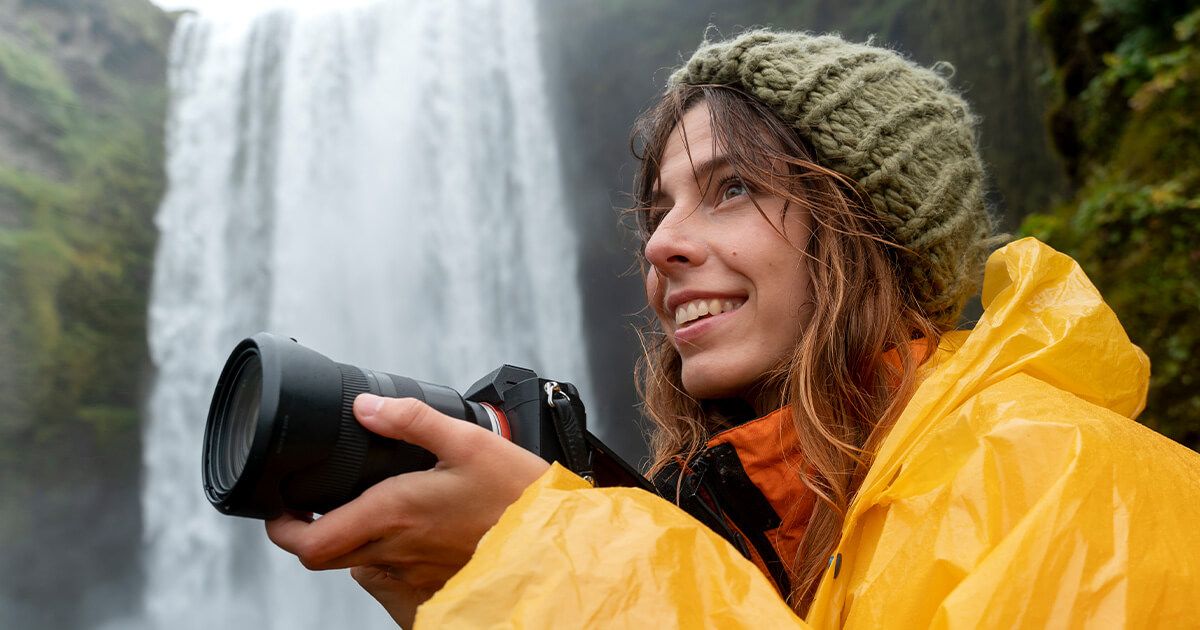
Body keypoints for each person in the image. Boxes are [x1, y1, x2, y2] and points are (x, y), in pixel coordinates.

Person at [265, 30, 1200, 628]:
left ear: (870, 224)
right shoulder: (748, 518)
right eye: (660, 210)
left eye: (734, 188)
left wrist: (559, 565)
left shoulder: (1064, 475)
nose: (663, 244)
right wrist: (468, 592)